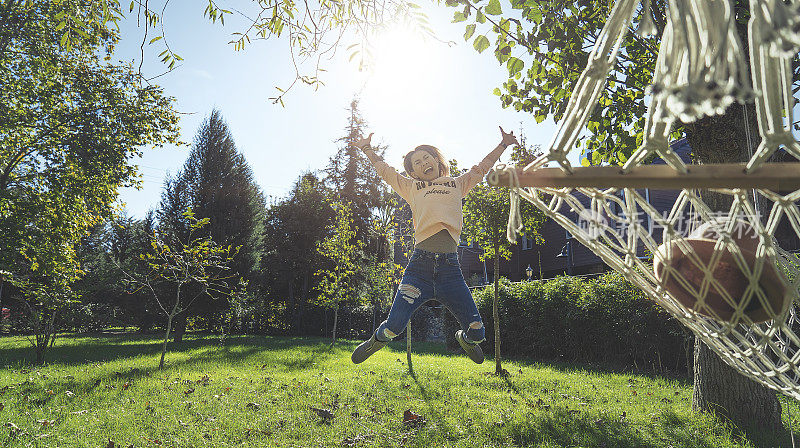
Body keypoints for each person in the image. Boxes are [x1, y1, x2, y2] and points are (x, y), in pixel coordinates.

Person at [351, 127, 518, 364]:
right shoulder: (411, 188)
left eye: (426, 157)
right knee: (393, 329)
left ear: (437, 161)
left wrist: (503, 144)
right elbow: (385, 172)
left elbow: (481, 168)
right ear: (413, 172)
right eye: (416, 163)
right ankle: (376, 341)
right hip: (419, 269)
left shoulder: (457, 184)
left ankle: (465, 340)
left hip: (450, 271)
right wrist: (367, 148)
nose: (423, 163)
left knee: (478, 332)